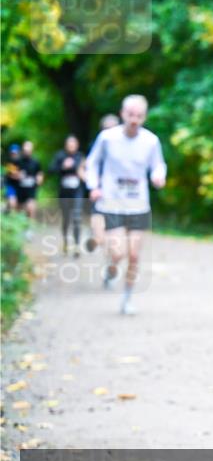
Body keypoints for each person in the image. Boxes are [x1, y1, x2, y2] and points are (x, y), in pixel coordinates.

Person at [85, 96, 166, 315]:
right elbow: (92, 163)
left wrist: (159, 176)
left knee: (134, 255)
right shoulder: (107, 138)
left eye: (139, 116)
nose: (134, 120)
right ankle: (111, 270)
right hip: (111, 203)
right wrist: (93, 186)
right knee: (118, 253)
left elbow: (158, 164)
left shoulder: (150, 141)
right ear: (122, 114)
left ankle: (127, 299)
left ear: (144, 117)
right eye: (130, 115)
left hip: (138, 205)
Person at [84, 114, 121, 253]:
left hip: (119, 197)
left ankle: (103, 244)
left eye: (113, 129)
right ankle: (97, 239)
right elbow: (86, 165)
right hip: (99, 193)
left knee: (114, 235)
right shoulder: (95, 146)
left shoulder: (126, 148)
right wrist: (93, 185)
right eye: (106, 129)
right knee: (99, 225)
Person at [50, 135, 86, 256]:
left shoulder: (80, 157)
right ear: (66, 145)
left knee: (77, 217)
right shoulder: (60, 156)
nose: (71, 146)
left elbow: (86, 172)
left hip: (77, 192)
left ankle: (76, 245)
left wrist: (80, 171)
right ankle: (65, 240)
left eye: (73, 144)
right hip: (64, 192)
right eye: (69, 144)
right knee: (66, 218)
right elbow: (51, 170)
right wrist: (62, 166)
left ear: (77, 145)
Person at [13, 140, 43, 221]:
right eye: (26, 149)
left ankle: (29, 228)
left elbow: (40, 173)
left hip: (31, 189)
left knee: (31, 207)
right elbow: (10, 174)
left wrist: (39, 179)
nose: (27, 151)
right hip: (20, 189)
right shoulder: (17, 161)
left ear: (32, 150)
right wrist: (17, 175)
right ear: (23, 149)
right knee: (19, 210)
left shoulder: (36, 161)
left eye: (29, 149)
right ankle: (19, 228)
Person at [4, 144, 20, 213]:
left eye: (15, 153)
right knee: (12, 202)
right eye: (12, 153)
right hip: (11, 185)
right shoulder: (9, 163)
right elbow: (13, 174)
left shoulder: (22, 162)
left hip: (20, 186)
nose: (14, 155)